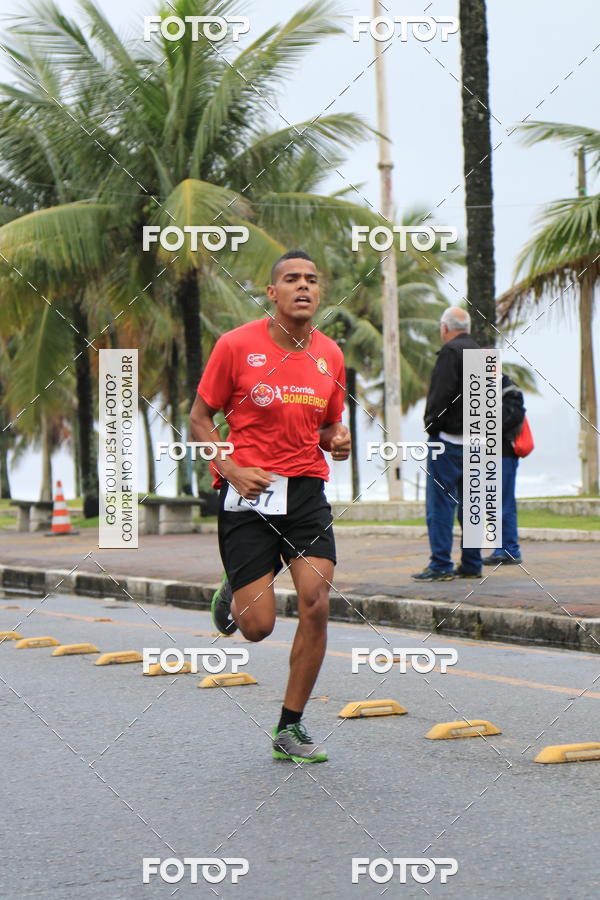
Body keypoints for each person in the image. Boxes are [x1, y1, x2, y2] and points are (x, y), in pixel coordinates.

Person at [189, 250, 351, 764]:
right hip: (248, 490)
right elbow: (199, 417)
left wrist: (338, 438)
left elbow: (327, 425)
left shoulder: (331, 355)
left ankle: (291, 727)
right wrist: (229, 467)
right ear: (272, 292)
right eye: (291, 279)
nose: (303, 286)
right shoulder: (236, 345)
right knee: (258, 626)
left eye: (312, 278)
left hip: (305, 491)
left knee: (315, 600)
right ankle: (235, 589)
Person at [412, 307, 482, 581]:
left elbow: (440, 395)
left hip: (448, 442)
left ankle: (441, 564)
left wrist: (431, 424)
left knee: (440, 505)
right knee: (472, 504)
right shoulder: (481, 353)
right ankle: (473, 563)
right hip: (478, 442)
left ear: (445, 328)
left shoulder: (450, 352)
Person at [482, 374, 525, 565]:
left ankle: (507, 550)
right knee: (495, 502)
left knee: (501, 503)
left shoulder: (507, 387)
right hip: (487, 453)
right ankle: (504, 549)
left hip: (502, 453)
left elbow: (514, 415)